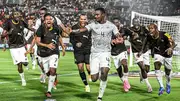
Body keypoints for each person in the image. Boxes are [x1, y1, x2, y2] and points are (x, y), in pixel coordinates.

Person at [69, 8, 123, 101]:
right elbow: (83, 30)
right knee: (94, 78)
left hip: (105, 53)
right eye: (95, 15)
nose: (95, 16)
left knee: (105, 72)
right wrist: (72, 31)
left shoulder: (111, 26)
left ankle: (100, 97)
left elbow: (117, 34)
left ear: (103, 14)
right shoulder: (92, 25)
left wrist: (119, 37)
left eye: (97, 14)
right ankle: (97, 72)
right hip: (94, 54)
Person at [36, 13, 65, 97]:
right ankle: (52, 77)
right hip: (44, 54)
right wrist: (47, 45)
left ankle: (49, 91)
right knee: (47, 72)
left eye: (50, 19)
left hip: (54, 52)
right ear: (44, 21)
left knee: (53, 70)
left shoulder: (57, 28)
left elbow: (59, 36)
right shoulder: (40, 29)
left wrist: (62, 46)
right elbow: (37, 42)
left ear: (52, 20)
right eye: (47, 19)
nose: (49, 20)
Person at [1, 10, 30, 86]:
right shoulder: (8, 23)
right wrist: (8, 33)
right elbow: (2, 36)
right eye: (15, 15)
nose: (17, 16)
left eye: (18, 15)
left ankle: (26, 63)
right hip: (13, 47)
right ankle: (23, 80)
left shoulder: (22, 22)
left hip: (21, 45)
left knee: (25, 63)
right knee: (19, 64)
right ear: (12, 16)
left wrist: (36, 30)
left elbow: (29, 27)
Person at [124, 18, 152, 92]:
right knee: (142, 68)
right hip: (136, 51)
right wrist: (126, 37)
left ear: (139, 22)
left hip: (145, 50)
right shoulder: (130, 29)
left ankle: (141, 73)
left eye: (137, 22)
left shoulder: (143, 28)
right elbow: (125, 34)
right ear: (132, 23)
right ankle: (148, 86)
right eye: (134, 22)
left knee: (147, 70)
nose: (136, 23)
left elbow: (149, 36)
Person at [147, 23, 175, 95]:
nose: (150, 30)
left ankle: (168, 84)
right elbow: (150, 45)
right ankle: (161, 86)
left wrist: (170, 48)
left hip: (167, 53)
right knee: (156, 65)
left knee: (167, 71)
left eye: (152, 28)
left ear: (156, 29)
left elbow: (173, 42)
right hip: (158, 53)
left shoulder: (165, 34)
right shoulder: (149, 36)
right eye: (149, 29)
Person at [69, 14, 91, 92]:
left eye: (84, 19)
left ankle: (89, 74)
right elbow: (71, 39)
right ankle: (86, 85)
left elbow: (92, 38)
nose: (83, 21)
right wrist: (76, 43)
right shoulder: (74, 27)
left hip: (88, 50)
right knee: (80, 67)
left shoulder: (89, 27)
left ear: (87, 20)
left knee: (89, 68)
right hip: (78, 51)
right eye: (81, 19)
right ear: (79, 19)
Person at [111, 18, 130, 92]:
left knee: (124, 64)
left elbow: (130, 33)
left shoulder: (123, 30)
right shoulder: (110, 32)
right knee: (119, 71)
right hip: (114, 53)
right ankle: (125, 82)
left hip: (122, 51)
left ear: (119, 23)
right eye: (114, 23)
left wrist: (127, 37)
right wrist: (110, 41)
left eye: (117, 22)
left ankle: (126, 81)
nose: (116, 24)